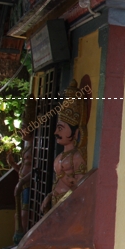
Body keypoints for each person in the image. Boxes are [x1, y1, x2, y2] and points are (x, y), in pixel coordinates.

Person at [42, 81, 87, 213]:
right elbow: (57, 183)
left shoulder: (76, 157)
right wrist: (49, 197)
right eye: (57, 128)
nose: (56, 132)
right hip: (56, 203)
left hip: (69, 205)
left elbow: (81, 186)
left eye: (61, 128)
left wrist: (65, 178)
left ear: (76, 133)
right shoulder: (59, 157)